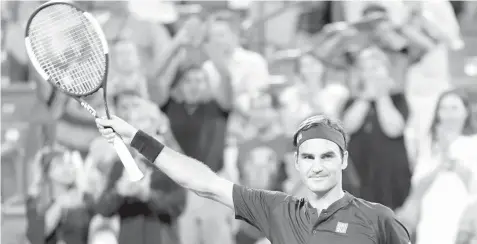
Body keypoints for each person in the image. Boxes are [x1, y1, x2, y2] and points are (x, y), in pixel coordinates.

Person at [95, 114, 411, 244]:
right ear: (297, 164)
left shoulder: (377, 219)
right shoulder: (277, 209)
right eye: (309, 157)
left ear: (343, 159)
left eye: (327, 156)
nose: (317, 166)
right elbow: (202, 181)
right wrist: (135, 137)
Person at [26, 145, 96, 244]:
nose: (67, 168)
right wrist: (59, 205)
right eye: (59, 164)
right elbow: (36, 236)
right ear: (48, 172)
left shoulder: (85, 198)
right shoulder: (37, 202)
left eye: (69, 163)